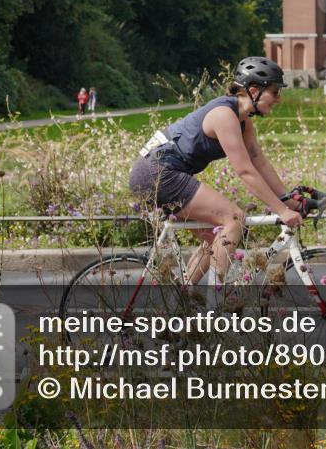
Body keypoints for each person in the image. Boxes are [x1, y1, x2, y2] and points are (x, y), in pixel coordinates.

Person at [128, 56, 303, 286]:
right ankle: (217, 307)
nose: (278, 99)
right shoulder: (224, 115)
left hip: (160, 171)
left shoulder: (243, 121)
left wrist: (287, 200)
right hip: (157, 172)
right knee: (233, 219)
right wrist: (281, 210)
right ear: (253, 90)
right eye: (274, 92)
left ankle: (187, 301)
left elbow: (259, 162)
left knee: (216, 237)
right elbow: (245, 171)